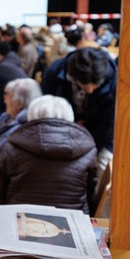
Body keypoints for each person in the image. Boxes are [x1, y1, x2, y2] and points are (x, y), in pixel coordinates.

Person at [0, 95, 98, 214]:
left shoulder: (13, 147)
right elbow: (90, 196)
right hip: (72, 224)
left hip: (19, 223)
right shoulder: (87, 149)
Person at [41, 47, 116, 178]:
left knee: (103, 169)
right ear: (73, 76)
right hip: (61, 130)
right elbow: (46, 111)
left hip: (100, 133)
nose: (91, 91)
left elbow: (107, 126)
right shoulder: (55, 73)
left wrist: (84, 141)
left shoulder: (115, 82)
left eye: (96, 85)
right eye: (86, 86)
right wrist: (73, 129)